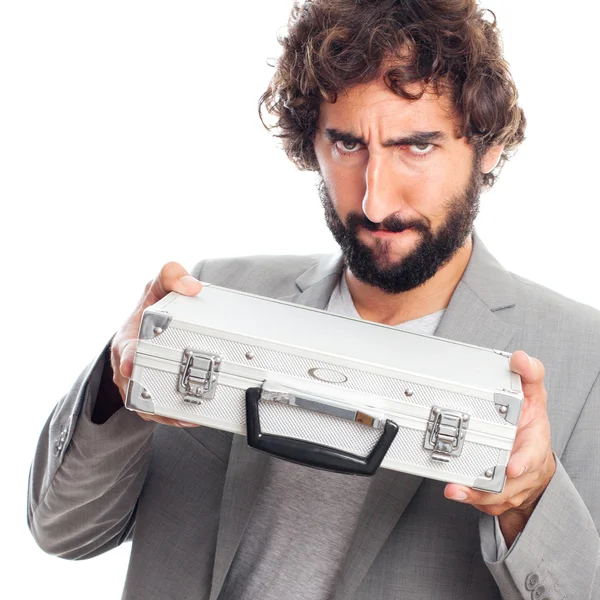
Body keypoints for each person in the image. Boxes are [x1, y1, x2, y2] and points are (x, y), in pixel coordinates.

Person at [27, 1, 600, 599]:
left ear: (486, 149)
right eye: (348, 144)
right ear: (311, 143)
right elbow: (62, 531)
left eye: (417, 147)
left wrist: (529, 499)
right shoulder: (210, 298)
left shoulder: (584, 361)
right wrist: (116, 392)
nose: (375, 201)